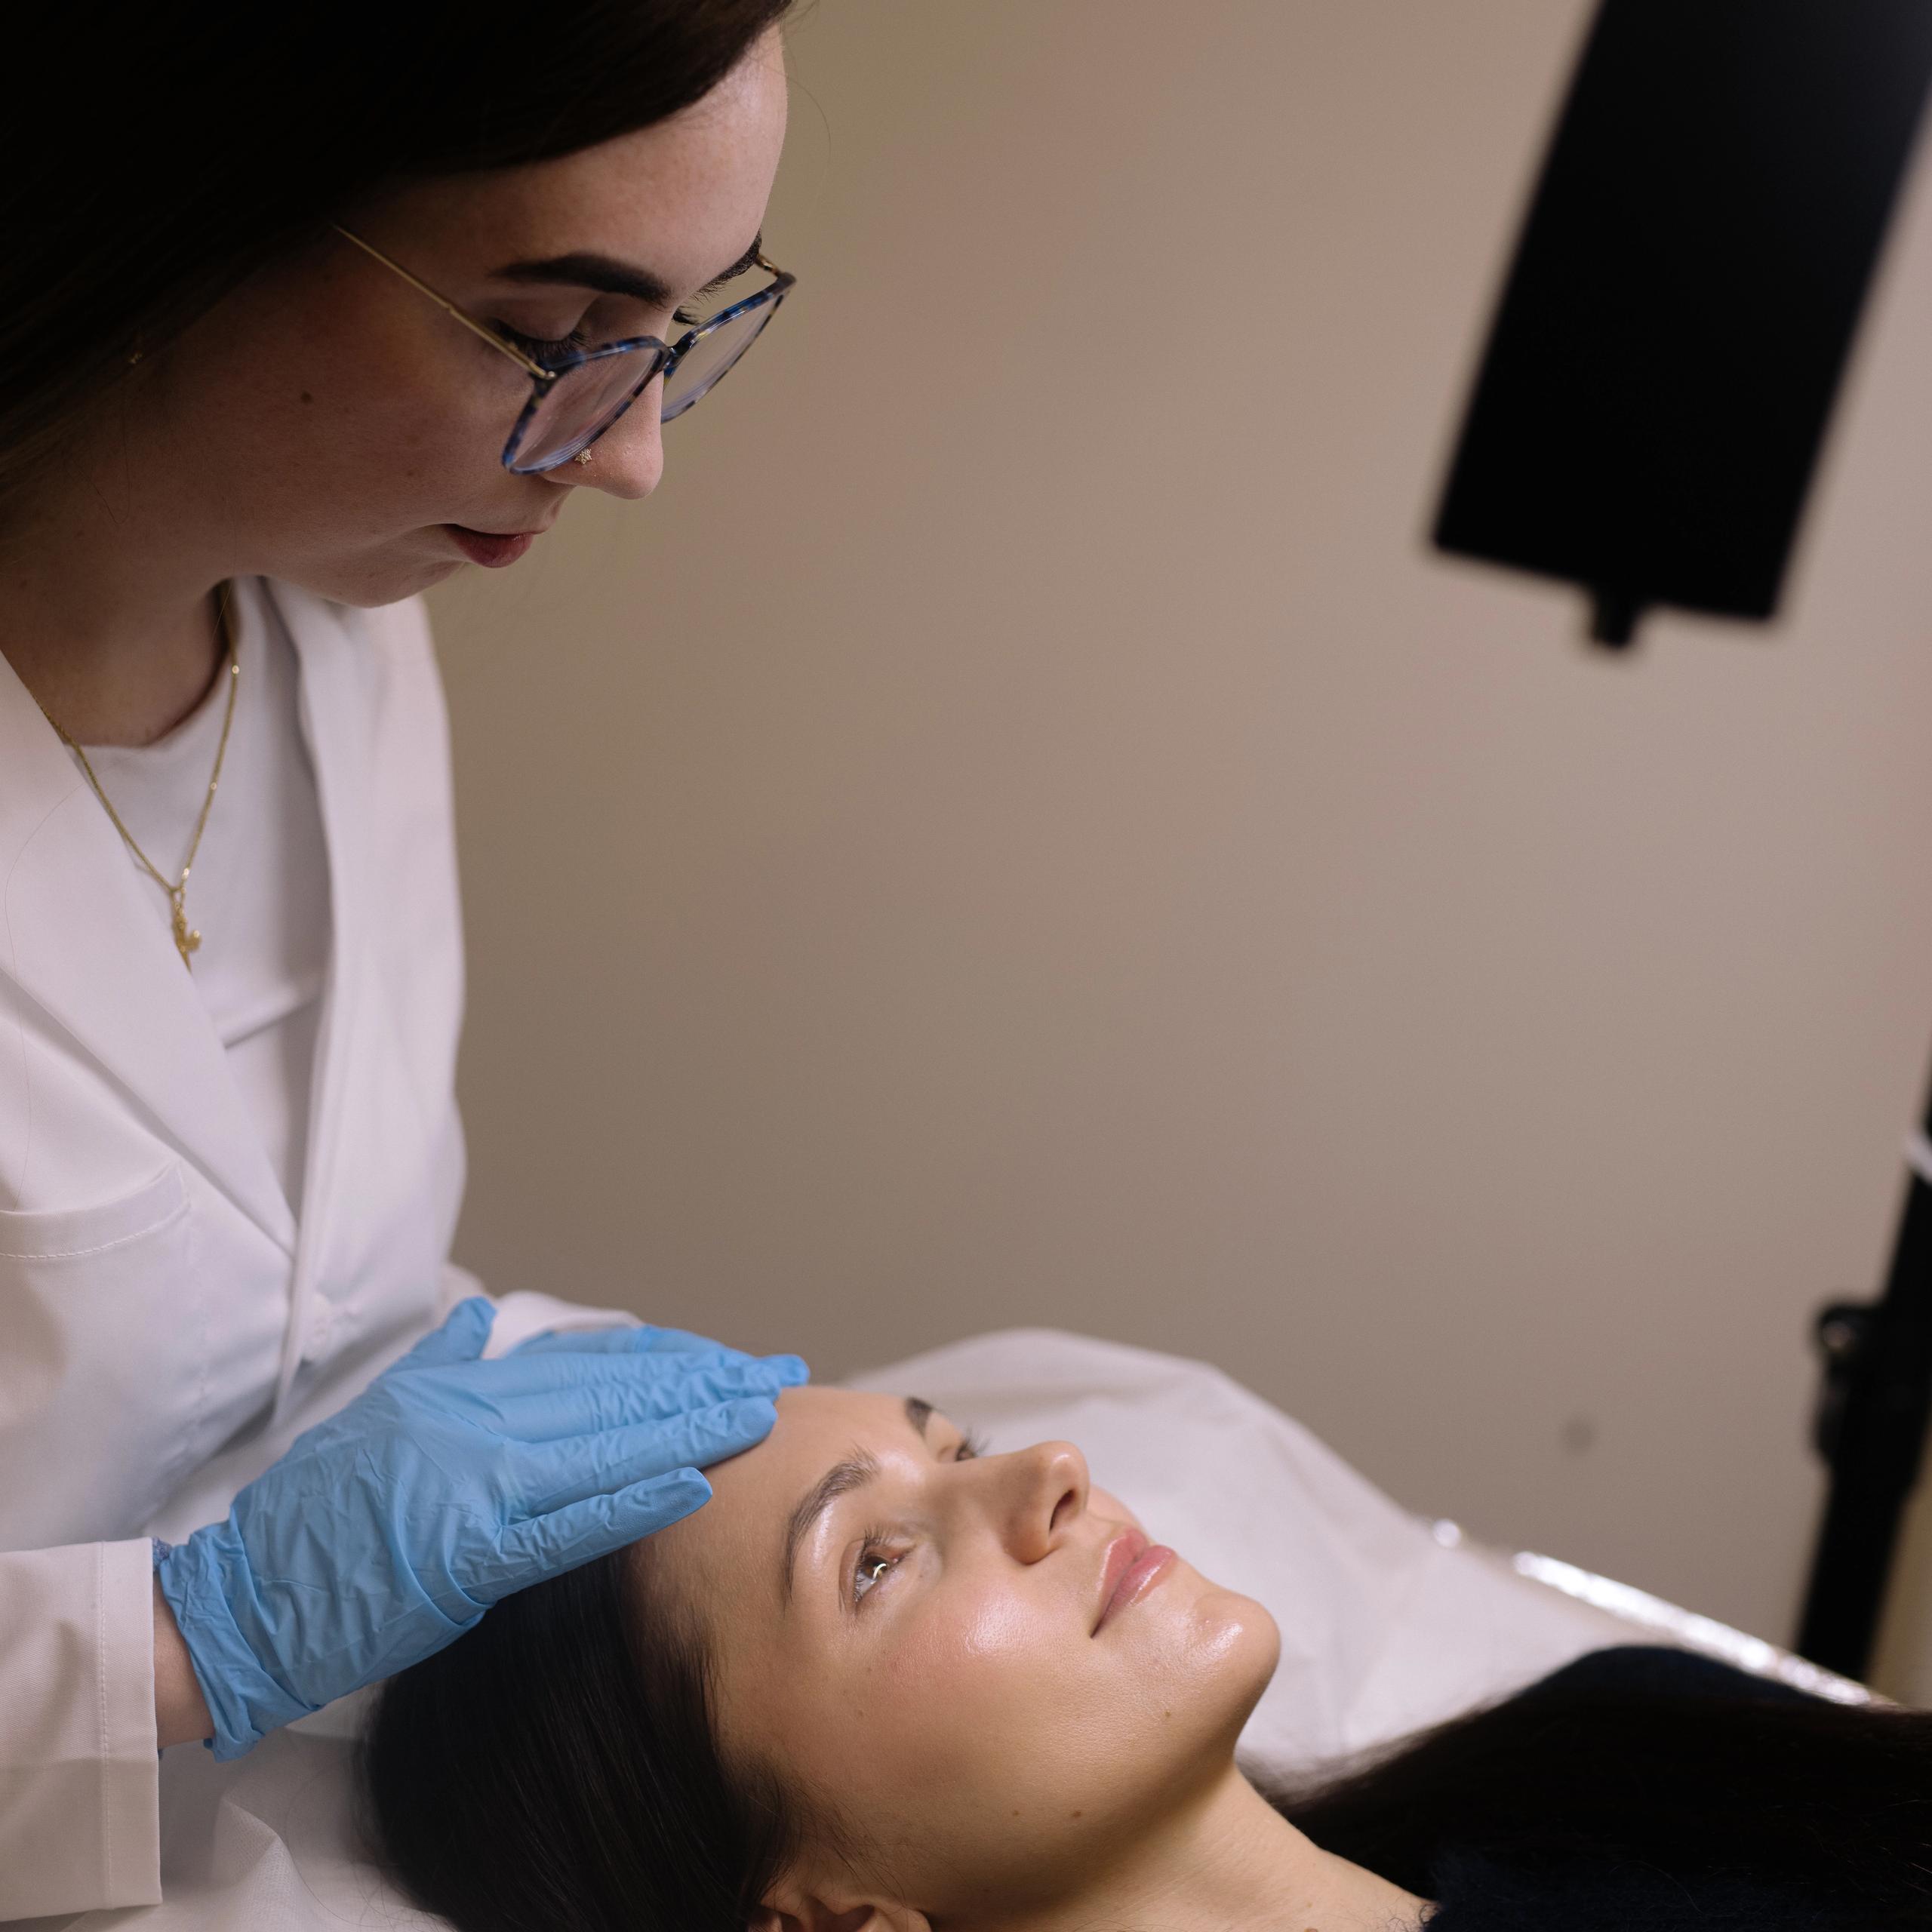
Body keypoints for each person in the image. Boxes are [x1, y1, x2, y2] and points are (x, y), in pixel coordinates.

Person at [0, 6, 808, 1917]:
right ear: (185, 203)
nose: (630, 456)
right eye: (547, 341)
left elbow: (283, 1302)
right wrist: (191, 1639)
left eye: (675, 339)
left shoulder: (339, 623)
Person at [367, 1385, 1932, 1932]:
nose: (1041, 1469)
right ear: (829, 1911)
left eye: (951, 1441)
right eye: (875, 1557)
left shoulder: (1629, 1756)